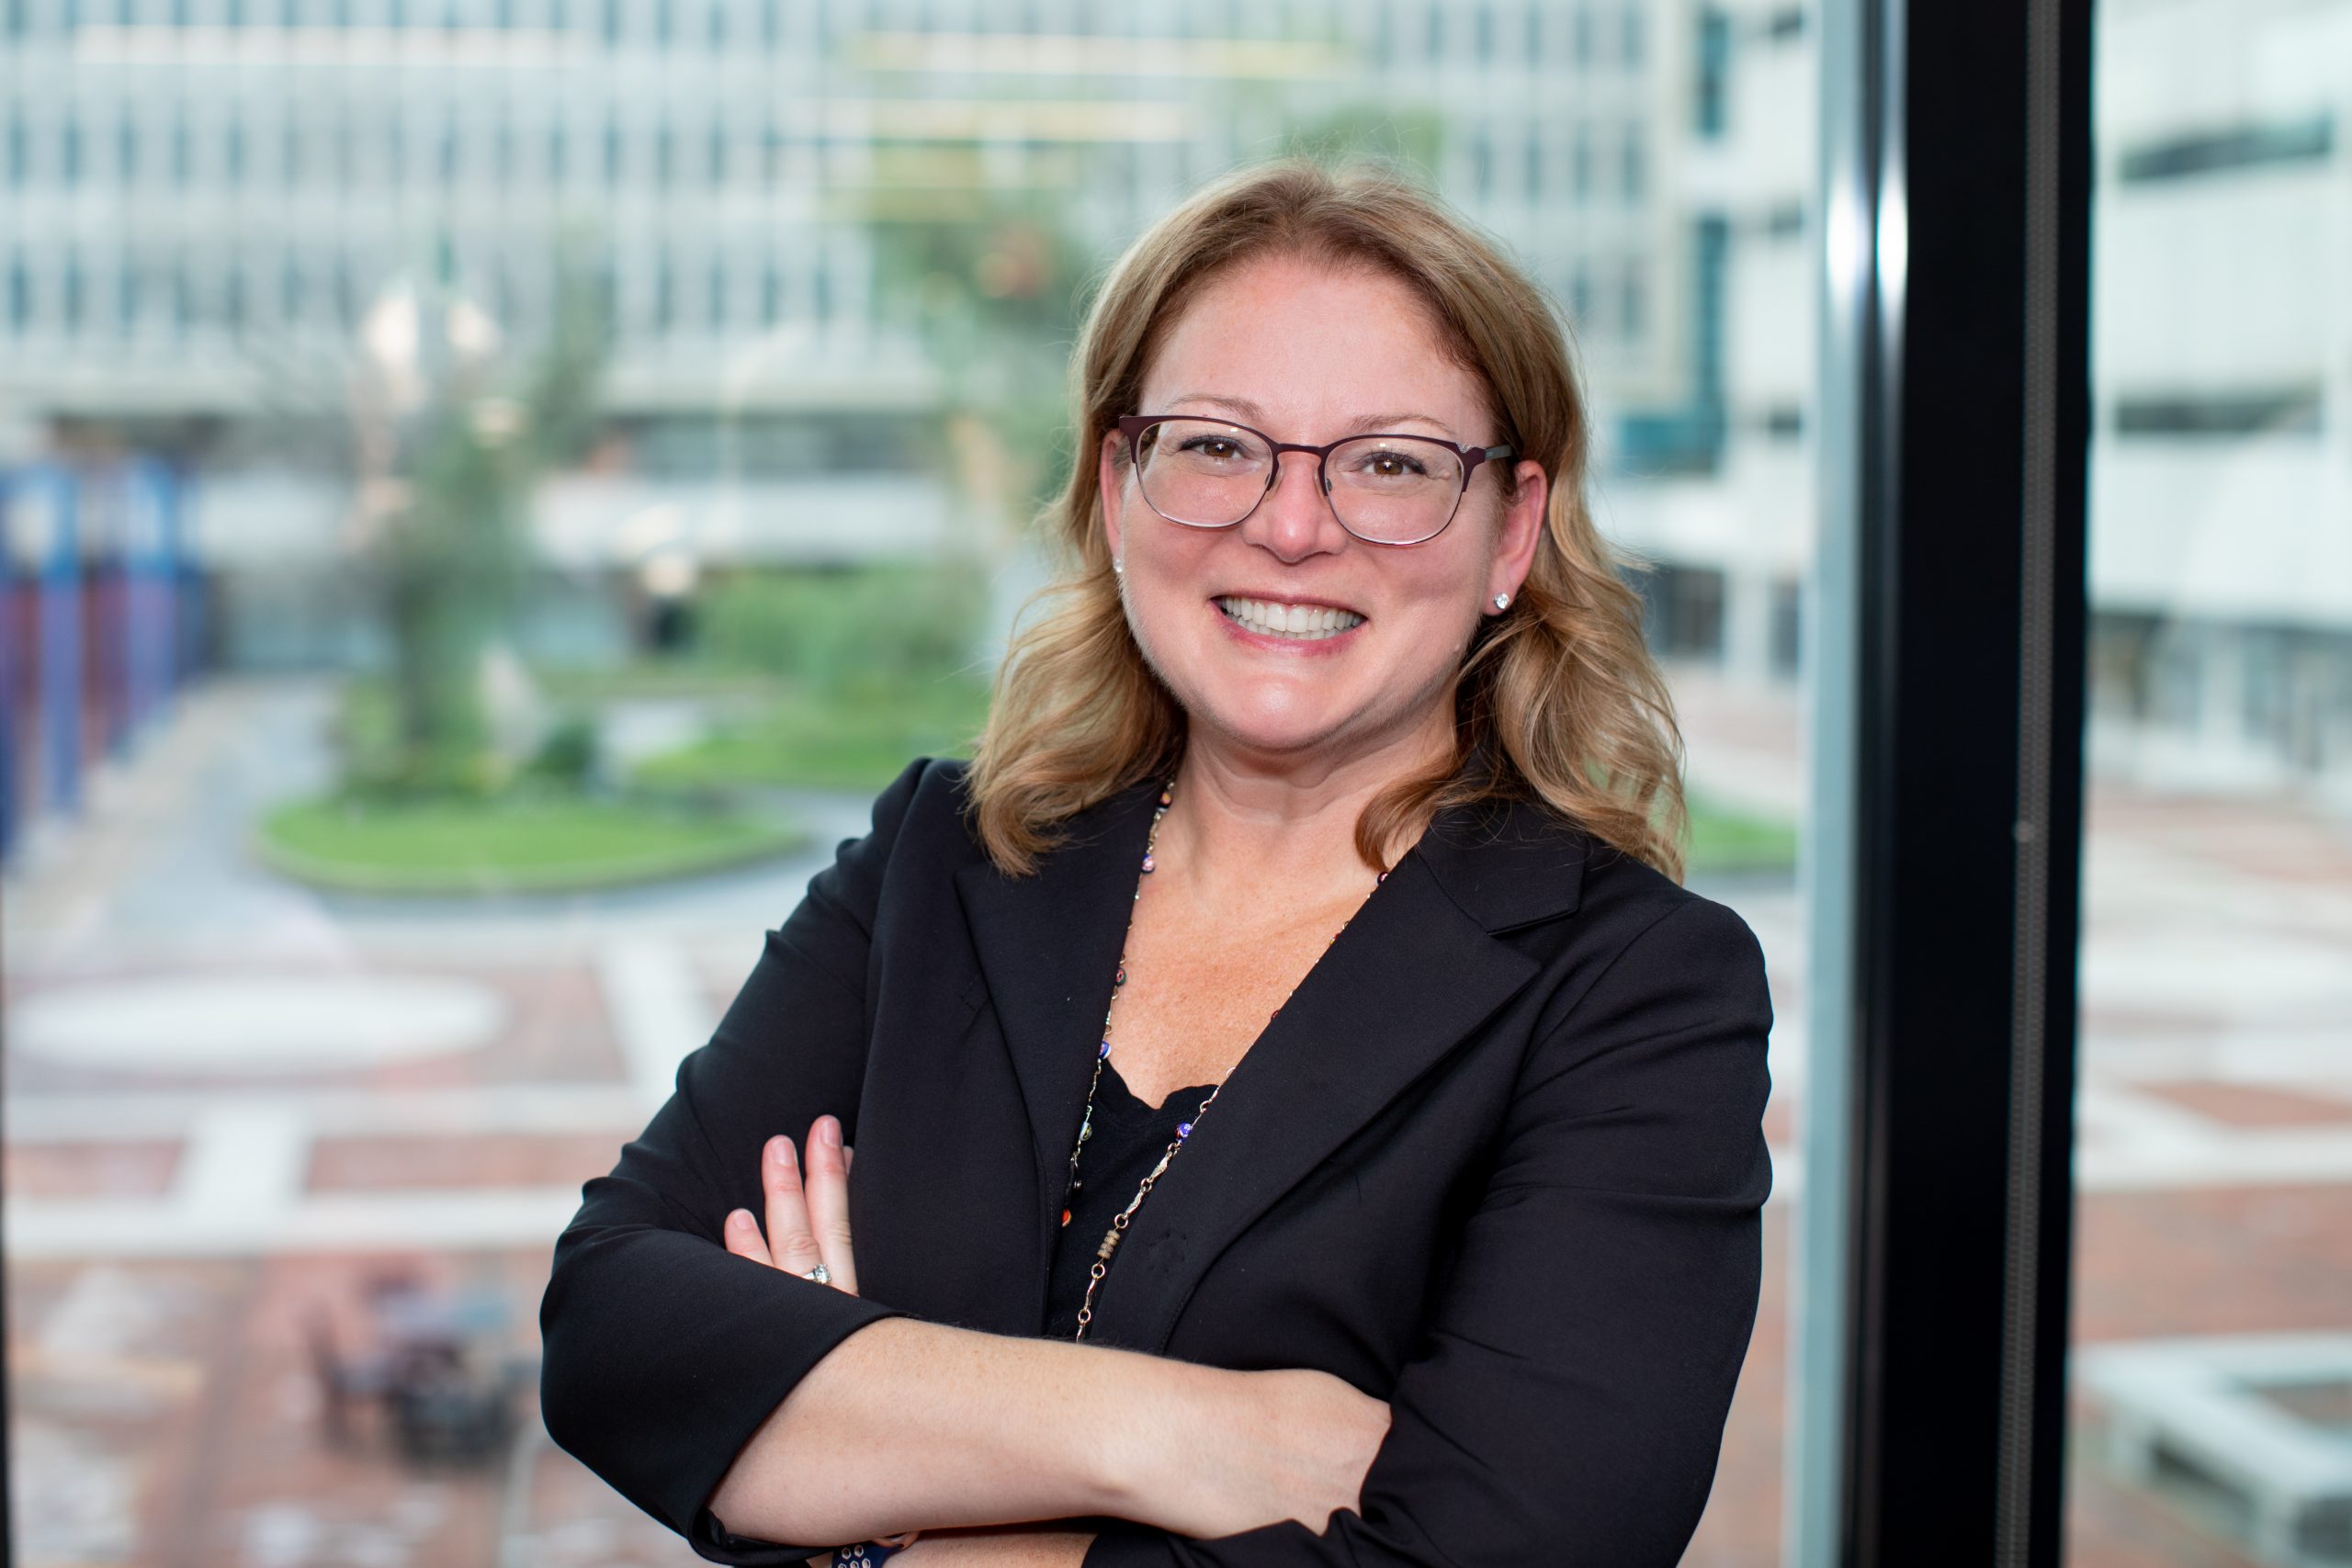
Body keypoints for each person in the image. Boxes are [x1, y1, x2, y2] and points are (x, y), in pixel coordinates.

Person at [539, 159, 1773, 1568]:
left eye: (1391, 463)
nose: (1293, 526)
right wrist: (1187, 1439)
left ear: (1511, 532)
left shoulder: (1636, 992)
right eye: (1216, 445)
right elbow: (615, 1330)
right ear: (1119, 487)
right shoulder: (943, 858)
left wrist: (868, 1505)